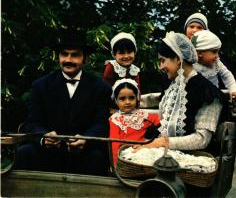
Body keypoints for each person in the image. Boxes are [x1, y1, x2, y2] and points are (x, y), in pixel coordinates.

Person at [14, 29, 112, 176]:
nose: (68, 59)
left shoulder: (100, 87)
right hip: (48, 153)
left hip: (84, 154)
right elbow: (32, 122)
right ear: (58, 56)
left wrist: (86, 139)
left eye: (75, 55)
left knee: (98, 158)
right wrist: (44, 137)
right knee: (25, 153)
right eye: (64, 54)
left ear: (85, 59)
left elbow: (102, 123)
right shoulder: (40, 85)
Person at [133, 32, 224, 151]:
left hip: (195, 156)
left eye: (163, 60)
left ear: (177, 59)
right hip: (165, 150)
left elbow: (202, 139)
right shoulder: (173, 84)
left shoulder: (207, 93)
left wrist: (161, 142)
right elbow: (162, 109)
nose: (161, 67)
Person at [184, 12, 236, 99]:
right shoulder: (184, 57)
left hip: (213, 97)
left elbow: (226, 75)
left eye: (199, 27)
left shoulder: (214, 57)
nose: (194, 30)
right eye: (191, 26)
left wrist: (233, 88)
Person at [109, 78, 160, 164]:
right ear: (116, 101)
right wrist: (115, 164)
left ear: (137, 98)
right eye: (122, 99)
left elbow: (164, 123)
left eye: (131, 98)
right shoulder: (115, 120)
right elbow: (114, 144)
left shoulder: (144, 115)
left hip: (144, 151)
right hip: (126, 156)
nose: (127, 102)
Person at [192, 30, 236, 98]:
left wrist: (233, 89)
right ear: (199, 53)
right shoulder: (190, 66)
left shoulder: (216, 63)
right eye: (214, 52)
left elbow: (227, 75)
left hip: (214, 96)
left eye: (218, 52)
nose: (217, 56)